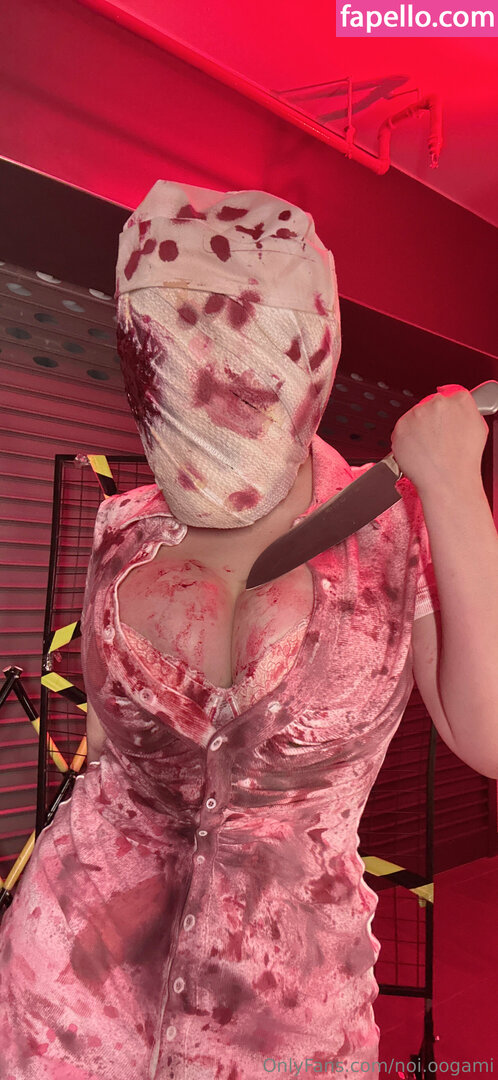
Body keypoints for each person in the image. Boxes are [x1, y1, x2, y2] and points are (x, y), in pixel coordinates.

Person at [0, 179, 492, 1080]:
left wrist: (457, 484)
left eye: (232, 362)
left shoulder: (395, 528)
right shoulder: (124, 527)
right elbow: (105, 750)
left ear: (306, 349)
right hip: (67, 987)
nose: (202, 392)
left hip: (280, 1017)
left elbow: (492, 736)